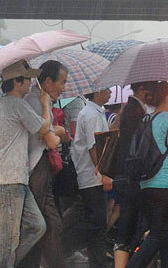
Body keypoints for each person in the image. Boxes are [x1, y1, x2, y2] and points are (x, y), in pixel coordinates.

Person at [0, 60, 57, 268]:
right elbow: (43, 129)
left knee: (37, 226)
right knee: (7, 240)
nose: (31, 83)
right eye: (27, 79)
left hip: (13, 177)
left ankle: (3, 264)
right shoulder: (17, 104)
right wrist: (45, 103)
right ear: (17, 81)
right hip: (10, 179)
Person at [18, 60, 70, 268]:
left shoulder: (41, 100)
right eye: (63, 82)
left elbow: (61, 134)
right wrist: (55, 131)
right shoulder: (34, 101)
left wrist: (55, 131)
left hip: (43, 167)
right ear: (47, 81)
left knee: (50, 224)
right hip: (35, 167)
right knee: (41, 224)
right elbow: (50, 138)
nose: (64, 88)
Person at [125, 82, 168, 268]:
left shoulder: (148, 119)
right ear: (167, 97)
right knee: (157, 234)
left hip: (147, 184)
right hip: (166, 185)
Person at [63, 87, 113, 268]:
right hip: (92, 177)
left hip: (91, 175)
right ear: (97, 91)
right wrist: (103, 173)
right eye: (106, 89)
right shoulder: (91, 114)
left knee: (95, 224)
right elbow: (94, 147)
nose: (110, 92)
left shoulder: (93, 112)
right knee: (97, 225)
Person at [112, 82, 153, 268]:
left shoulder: (131, 110)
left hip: (126, 175)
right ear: (142, 90)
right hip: (130, 176)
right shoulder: (134, 111)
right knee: (128, 225)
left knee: (129, 224)